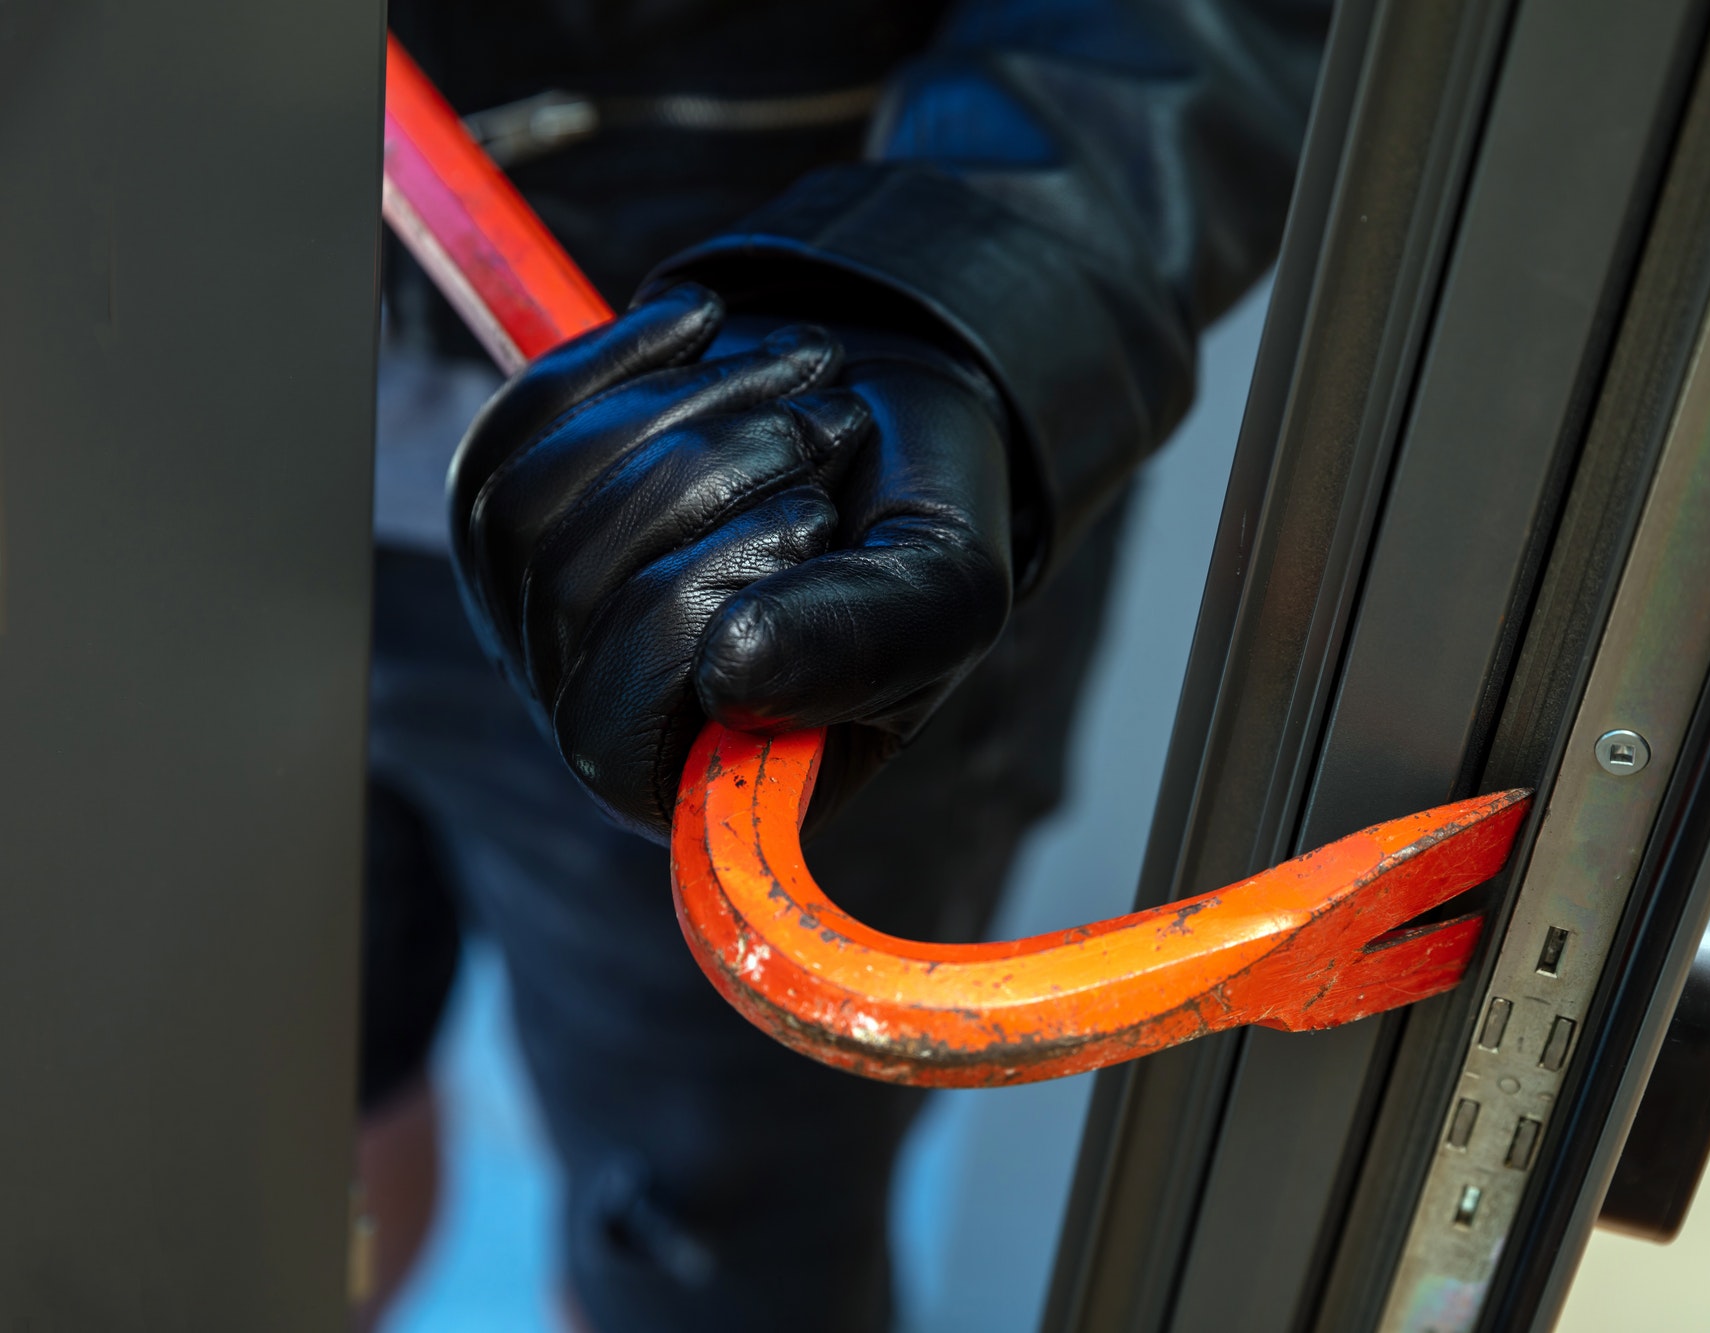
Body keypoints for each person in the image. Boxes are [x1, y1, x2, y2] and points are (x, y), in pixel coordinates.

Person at [360, 2, 1331, 1328]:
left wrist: (961, 283)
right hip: (153, 436)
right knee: (271, 1095)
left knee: (707, 1249)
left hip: (768, 520)